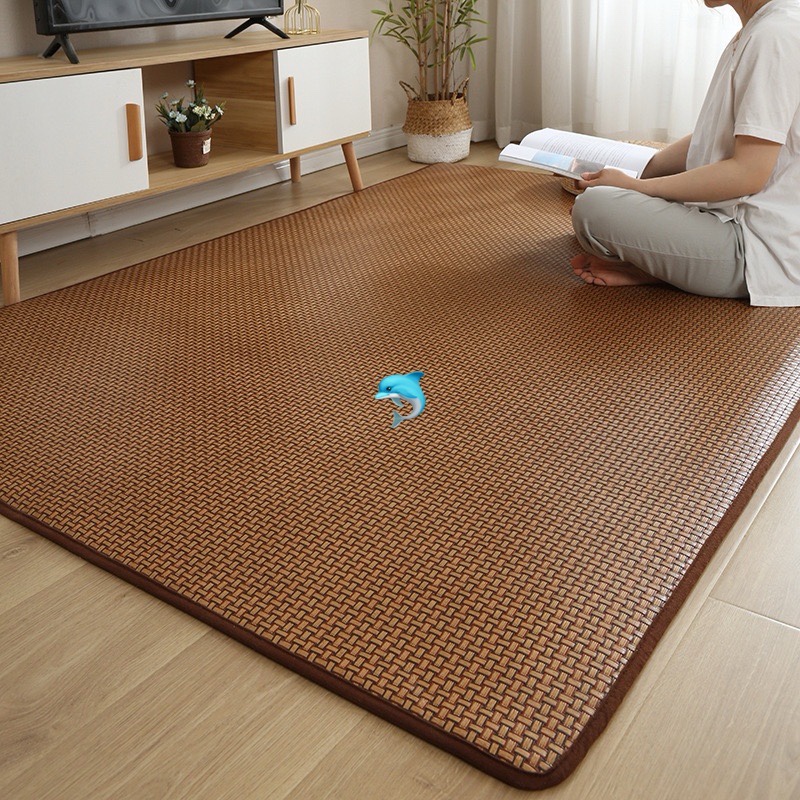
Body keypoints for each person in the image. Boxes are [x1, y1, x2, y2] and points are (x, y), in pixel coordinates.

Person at [570, 0, 800, 306]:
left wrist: (637, 188)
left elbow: (747, 174)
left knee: (593, 209)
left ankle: (662, 270)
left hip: (755, 248)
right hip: (730, 221)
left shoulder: (776, 34)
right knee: (602, 201)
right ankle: (662, 268)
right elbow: (716, 135)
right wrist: (641, 170)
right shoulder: (760, 27)